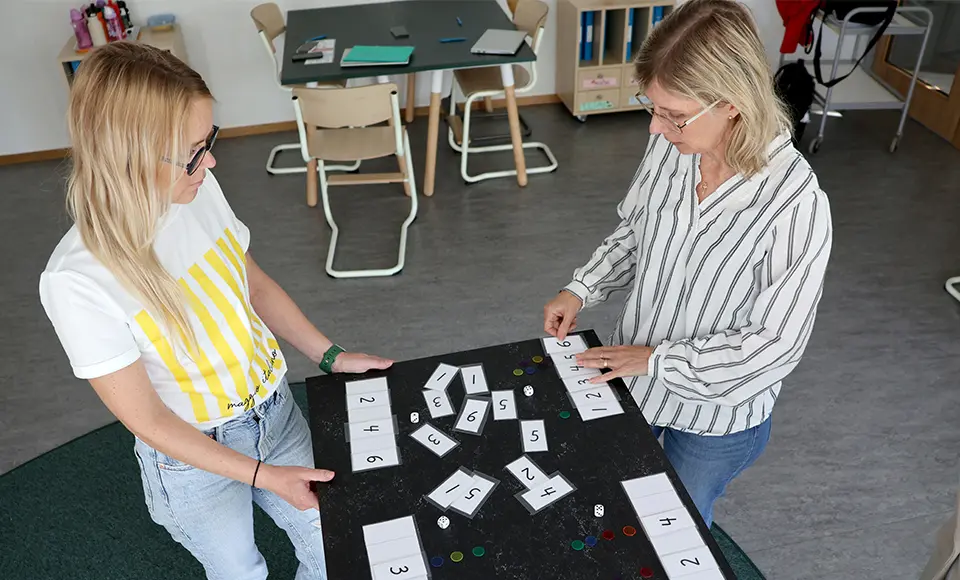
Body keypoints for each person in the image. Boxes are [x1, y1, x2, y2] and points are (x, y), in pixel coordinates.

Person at [38, 42, 392, 580]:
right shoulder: (75, 279)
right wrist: (262, 476)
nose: (212, 161)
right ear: (126, 153)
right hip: (188, 460)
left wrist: (331, 355)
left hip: (275, 413)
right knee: (240, 571)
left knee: (336, 550)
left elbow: (251, 282)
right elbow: (150, 421)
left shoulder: (197, 189)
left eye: (210, 141)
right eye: (195, 150)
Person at [543, 0, 832, 528]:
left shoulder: (796, 203)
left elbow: (774, 345)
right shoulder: (674, 146)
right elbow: (636, 230)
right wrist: (582, 288)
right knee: (613, 509)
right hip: (635, 385)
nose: (655, 129)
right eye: (651, 107)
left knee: (673, 530)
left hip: (715, 422)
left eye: (672, 115)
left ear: (732, 103)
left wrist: (655, 360)